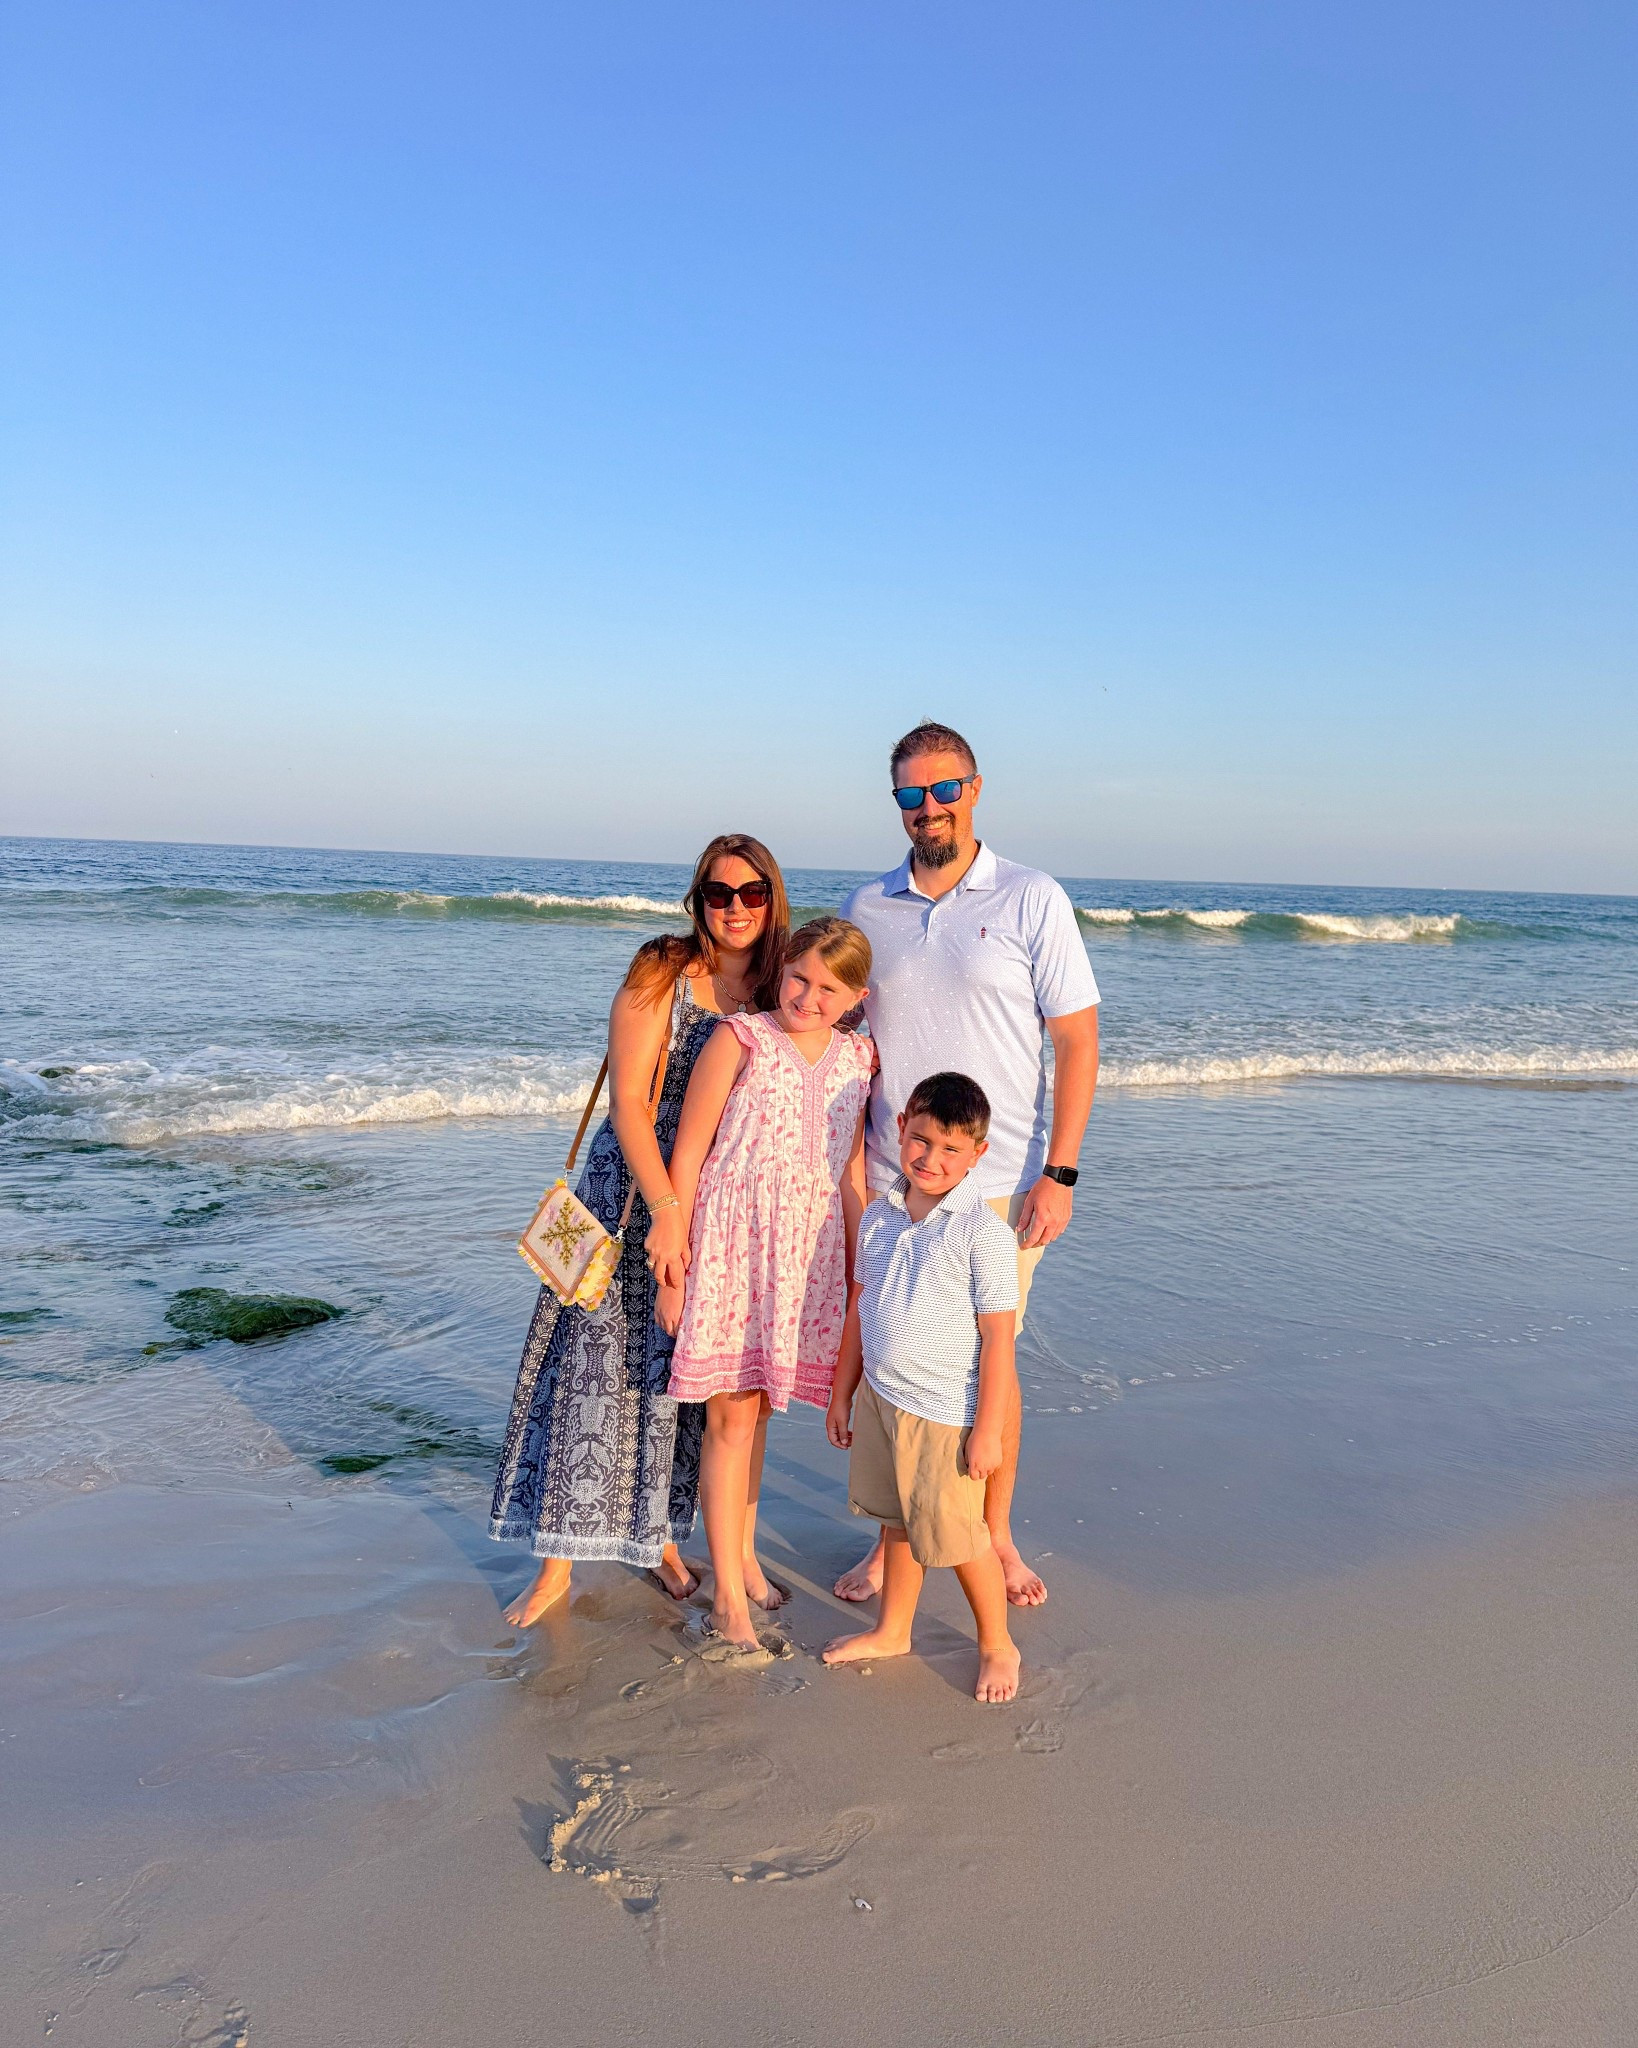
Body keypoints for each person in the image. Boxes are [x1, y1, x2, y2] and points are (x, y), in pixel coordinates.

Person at [489, 834, 790, 1627]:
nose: (734, 909)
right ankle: (556, 1567)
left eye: (751, 893)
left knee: (687, 1386)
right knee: (591, 1376)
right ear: (698, 901)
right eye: (718, 894)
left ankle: (663, 1538)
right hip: (633, 1194)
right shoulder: (663, 970)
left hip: (722, 1204)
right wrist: (666, 1211)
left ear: (772, 897)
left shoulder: (779, 983)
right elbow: (628, 1103)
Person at [836, 722, 1099, 1609]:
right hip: (892, 1182)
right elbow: (834, 1022)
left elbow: (1076, 1036)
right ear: (897, 804)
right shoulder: (867, 906)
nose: (930, 808)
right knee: (895, 1357)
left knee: (991, 1361)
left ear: (975, 789)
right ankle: (894, 1538)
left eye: (944, 790)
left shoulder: (1031, 897)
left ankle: (996, 1534)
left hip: (998, 1188)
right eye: (911, 795)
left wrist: (1059, 1174)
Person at [658, 918, 875, 1651]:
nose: (809, 997)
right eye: (799, 978)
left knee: (759, 1414)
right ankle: (728, 1598)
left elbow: (851, 1175)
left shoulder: (859, 1060)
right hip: (731, 1244)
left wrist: (858, 1267)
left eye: (829, 988)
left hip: (806, 1256)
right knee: (728, 1419)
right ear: (781, 970)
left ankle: (744, 1558)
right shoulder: (739, 1039)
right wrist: (675, 1258)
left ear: (857, 998)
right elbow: (689, 1154)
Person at [823, 1072, 1022, 1703]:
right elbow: (861, 1307)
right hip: (882, 1399)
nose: (930, 1158)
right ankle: (894, 1630)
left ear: (978, 1155)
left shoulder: (981, 1232)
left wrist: (987, 1430)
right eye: (920, 1139)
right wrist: (840, 1390)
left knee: (962, 1542)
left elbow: (997, 1341)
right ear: (903, 1125)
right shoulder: (881, 1215)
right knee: (897, 1524)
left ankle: (997, 1643)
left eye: (950, 1149)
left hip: (942, 1413)